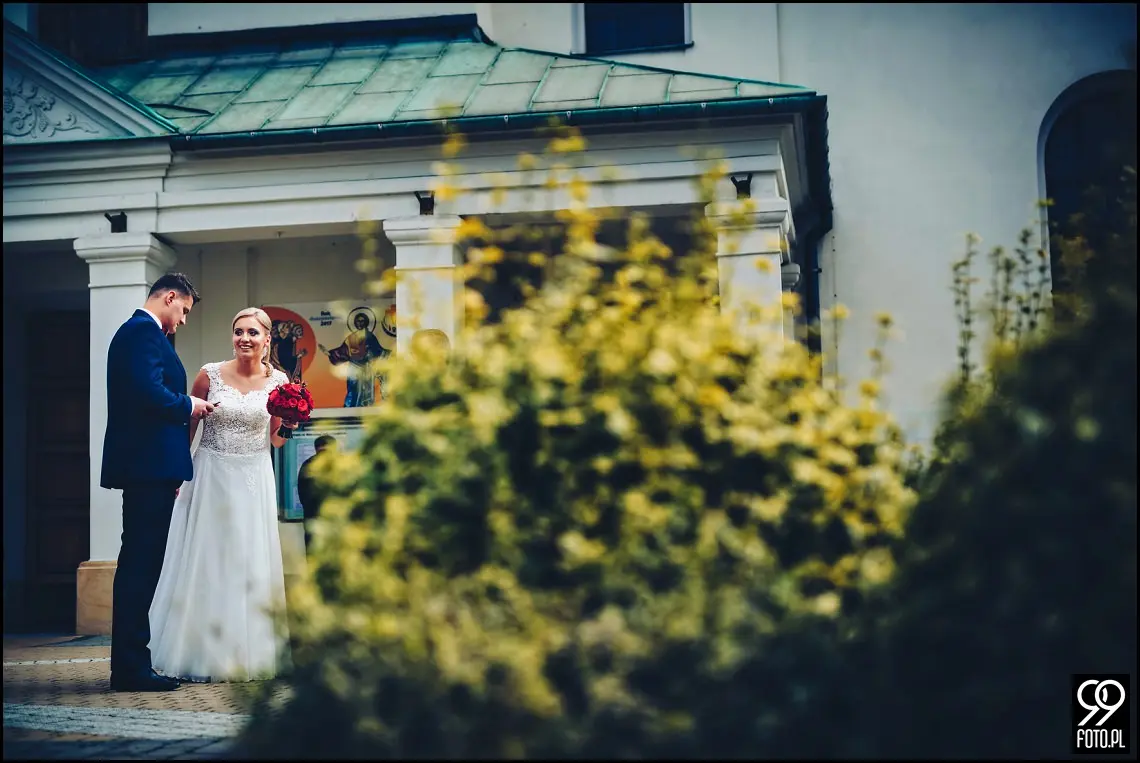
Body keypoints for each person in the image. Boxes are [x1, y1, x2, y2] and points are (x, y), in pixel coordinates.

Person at [148, 307, 298, 684]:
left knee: (248, 559)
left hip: (254, 475)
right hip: (211, 471)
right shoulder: (209, 374)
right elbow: (186, 427)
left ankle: (249, 652)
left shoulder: (279, 381)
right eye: (238, 332)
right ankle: (198, 649)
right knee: (209, 557)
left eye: (252, 332)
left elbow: (277, 438)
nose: (244, 339)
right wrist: (177, 471)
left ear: (267, 340)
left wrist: (292, 423)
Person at [101, 273, 216, 693]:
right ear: (170, 297)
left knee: (143, 564)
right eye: (183, 310)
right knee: (140, 566)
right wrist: (191, 404)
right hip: (146, 467)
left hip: (152, 468)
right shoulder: (140, 333)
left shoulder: (147, 335)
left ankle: (132, 665)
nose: (183, 320)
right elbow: (147, 393)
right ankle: (131, 670)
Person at [319, 306, 392, 407]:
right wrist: (329, 353)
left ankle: (364, 409)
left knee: (365, 391)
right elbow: (343, 351)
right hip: (354, 367)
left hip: (366, 368)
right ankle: (351, 408)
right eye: (358, 321)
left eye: (362, 321)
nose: (360, 323)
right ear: (355, 323)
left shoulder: (370, 336)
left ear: (365, 322)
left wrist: (386, 353)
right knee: (353, 389)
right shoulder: (351, 337)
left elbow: (377, 351)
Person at [296, 435, 338, 551]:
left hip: (312, 519)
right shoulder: (339, 464)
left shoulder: (306, 465)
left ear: (316, 448)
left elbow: (302, 496)